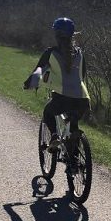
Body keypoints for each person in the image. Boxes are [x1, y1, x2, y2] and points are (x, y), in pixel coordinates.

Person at [23, 17, 90, 151]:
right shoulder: (80, 53)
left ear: (56, 34)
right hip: (83, 100)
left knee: (48, 112)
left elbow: (38, 72)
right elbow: (82, 75)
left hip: (62, 98)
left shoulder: (51, 53)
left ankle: (54, 136)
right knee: (73, 129)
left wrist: (28, 84)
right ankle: (75, 165)